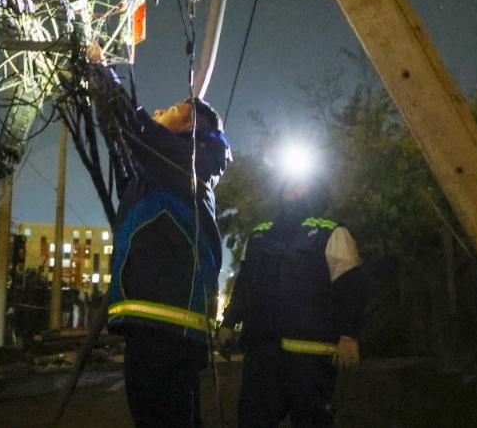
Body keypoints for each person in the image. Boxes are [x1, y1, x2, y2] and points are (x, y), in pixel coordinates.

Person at [87, 58, 232, 427]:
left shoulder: (187, 163)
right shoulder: (163, 173)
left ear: (189, 126)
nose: (156, 112)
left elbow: (133, 129)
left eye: (169, 110)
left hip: (167, 328)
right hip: (157, 326)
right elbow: (124, 139)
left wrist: (99, 68)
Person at [221, 177, 368, 427]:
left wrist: (349, 335)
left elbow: (350, 288)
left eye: (301, 185)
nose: (293, 190)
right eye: (289, 184)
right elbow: (245, 286)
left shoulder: (331, 232)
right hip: (263, 355)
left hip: (310, 359)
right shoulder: (258, 236)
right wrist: (228, 323)